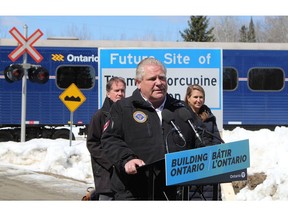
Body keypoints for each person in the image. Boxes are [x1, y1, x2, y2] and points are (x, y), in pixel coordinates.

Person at [101, 57, 201, 200]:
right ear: (138, 83)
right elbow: (110, 140)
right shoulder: (123, 108)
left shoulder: (181, 109)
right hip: (133, 192)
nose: (159, 83)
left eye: (162, 78)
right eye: (152, 78)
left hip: (173, 192)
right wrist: (127, 159)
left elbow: (202, 138)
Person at [86, 76, 126, 200]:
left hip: (125, 174)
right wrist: (111, 163)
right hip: (106, 174)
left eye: (122, 91)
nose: (120, 94)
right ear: (108, 93)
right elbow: (92, 143)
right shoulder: (99, 116)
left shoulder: (128, 114)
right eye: (116, 91)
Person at [184, 84, 223, 200]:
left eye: (201, 97)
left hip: (210, 165)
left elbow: (216, 139)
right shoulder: (182, 116)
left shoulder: (209, 116)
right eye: (195, 97)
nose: (198, 100)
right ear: (188, 98)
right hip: (192, 166)